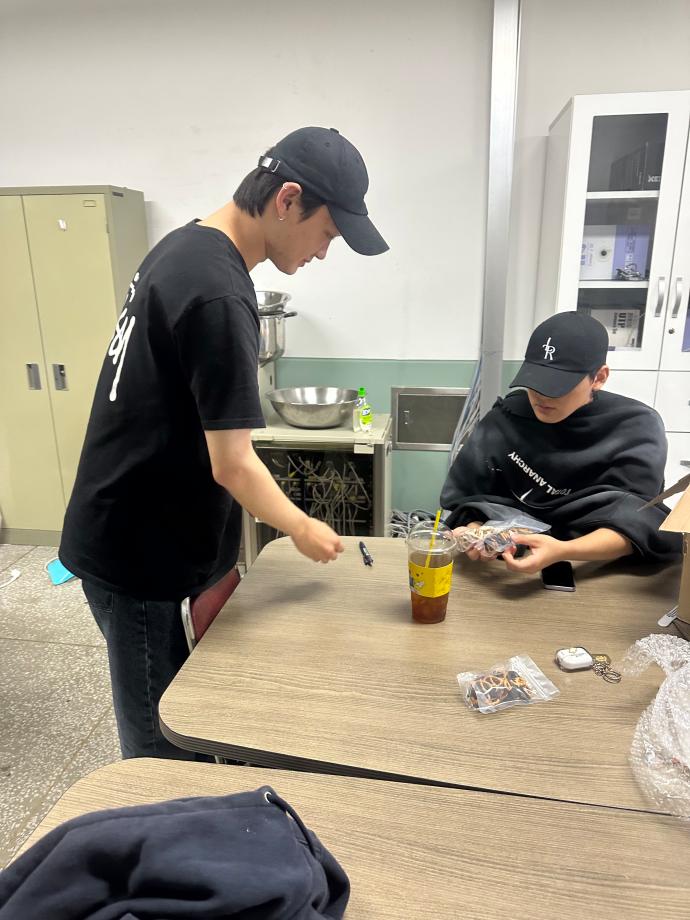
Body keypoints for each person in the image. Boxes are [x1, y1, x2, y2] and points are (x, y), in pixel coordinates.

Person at [59, 126, 389, 759]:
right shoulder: (218, 292)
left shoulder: (186, 245)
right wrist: (302, 527)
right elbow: (233, 465)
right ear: (287, 200)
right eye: (327, 233)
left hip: (139, 526)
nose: (324, 253)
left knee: (192, 703)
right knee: (162, 741)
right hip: (137, 553)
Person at [441, 311, 681, 574]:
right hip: (503, 564)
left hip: (595, 566)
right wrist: (475, 532)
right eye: (534, 382)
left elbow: (640, 520)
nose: (540, 396)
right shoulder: (508, 417)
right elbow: (467, 497)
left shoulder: (635, 427)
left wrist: (563, 550)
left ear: (599, 378)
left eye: (558, 386)